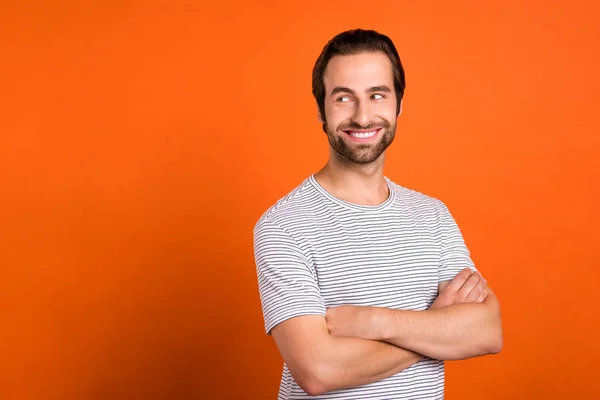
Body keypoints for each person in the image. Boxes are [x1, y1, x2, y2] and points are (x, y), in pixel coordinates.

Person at [253, 28, 503, 400]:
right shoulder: (283, 226)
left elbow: (487, 331)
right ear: (321, 108)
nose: (363, 116)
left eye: (377, 95)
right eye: (343, 98)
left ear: (398, 105)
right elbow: (318, 371)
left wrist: (373, 321)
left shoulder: (431, 215)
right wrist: (436, 328)